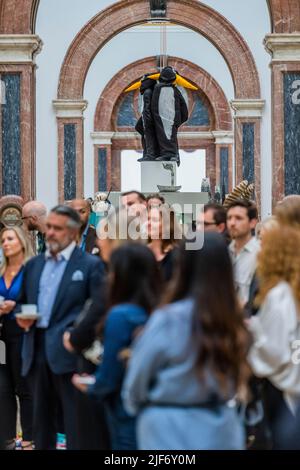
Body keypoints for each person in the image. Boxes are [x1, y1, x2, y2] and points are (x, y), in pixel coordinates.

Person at [123, 233, 250, 450]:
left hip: (168, 427)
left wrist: (137, 406)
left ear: (183, 267)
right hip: (222, 427)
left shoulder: (168, 319)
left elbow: (138, 379)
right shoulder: (235, 320)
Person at [16, 205, 105, 450]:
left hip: (70, 355)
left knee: (75, 426)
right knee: (41, 425)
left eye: (57, 228)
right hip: (36, 352)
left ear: (74, 232)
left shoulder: (89, 265)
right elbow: (22, 302)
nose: (50, 233)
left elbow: (99, 307)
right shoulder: (34, 265)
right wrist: (20, 317)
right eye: (49, 227)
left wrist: (76, 338)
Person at [73, 243, 161, 450]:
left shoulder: (120, 316)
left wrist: (91, 385)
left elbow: (109, 376)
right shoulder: (161, 310)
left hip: (125, 408)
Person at [247, 224, 300, 448]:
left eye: (264, 244)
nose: (259, 249)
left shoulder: (280, 296)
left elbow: (274, 352)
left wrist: (252, 334)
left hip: (282, 388)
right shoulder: (289, 290)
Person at [0, 226, 34, 450]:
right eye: (3, 240)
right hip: (2, 337)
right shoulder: (1, 271)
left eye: (10, 238)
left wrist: (16, 306)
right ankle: (8, 438)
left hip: (23, 335)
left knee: (24, 388)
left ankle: (30, 438)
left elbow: (38, 302)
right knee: (3, 389)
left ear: (21, 242)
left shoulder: (31, 270)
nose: (5, 243)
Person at [151, 66, 188, 166]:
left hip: (164, 119)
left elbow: (153, 106)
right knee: (167, 137)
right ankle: (167, 154)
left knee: (166, 136)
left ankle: (172, 154)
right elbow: (183, 107)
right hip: (166, 119)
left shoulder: (158, 89)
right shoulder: (172, 90)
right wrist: (178, 121)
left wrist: (177, 121)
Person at [227, 200, 259, 306]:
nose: (232, 223)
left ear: (252, 223)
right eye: (229, 218)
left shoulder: (260, 254)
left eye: (238, 218)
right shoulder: (225, 253)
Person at [147, 204, 181, 282]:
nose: (149, 223)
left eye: (154, 220)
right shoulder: (142, 251)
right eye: (148, 219)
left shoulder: (177, 256)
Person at [136, 74, 159, 162]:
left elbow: (147, 107)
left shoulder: (147, 92)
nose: (141, 82)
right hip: (146, 117)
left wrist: (147, 121)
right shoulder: (150, 91)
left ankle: (149, 154)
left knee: (148, 135)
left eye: (142, 80)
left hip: (147, 118)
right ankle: (147, 153)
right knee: (140, 129)